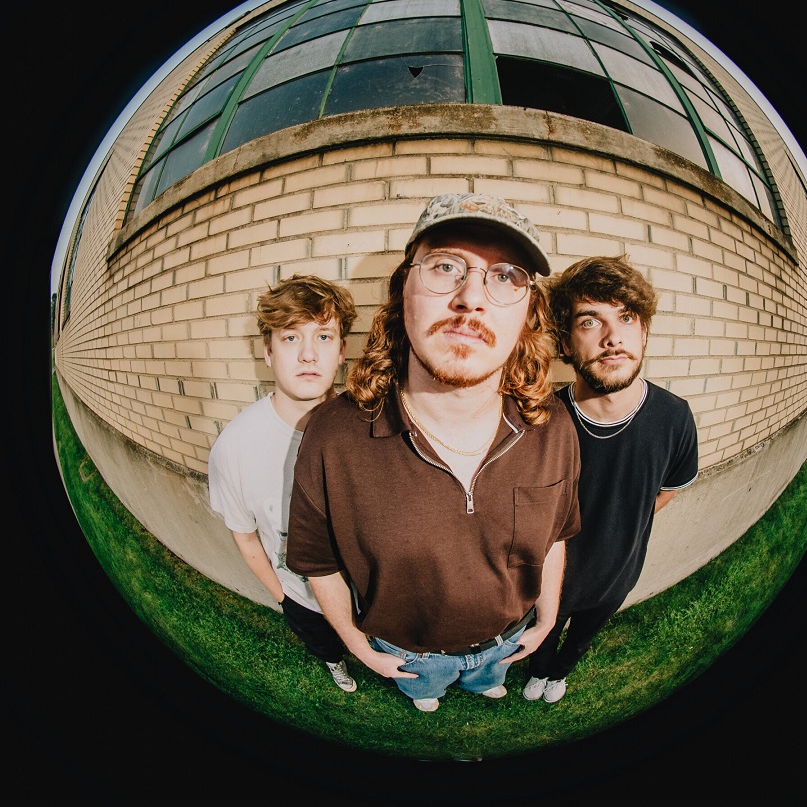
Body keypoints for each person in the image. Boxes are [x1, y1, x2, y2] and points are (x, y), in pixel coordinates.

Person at [286, 193, 581, 712]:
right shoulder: (332, 436)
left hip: (506, 640)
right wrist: (358, 646)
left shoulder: (552, 426)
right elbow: (318, 562)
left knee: (488, 682)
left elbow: (557, 532)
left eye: (506, 277)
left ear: (527, 313)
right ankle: (427, 694)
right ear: (403, 290)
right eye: (445, 267)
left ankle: (484, 681)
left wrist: (549, 615)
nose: (472, 298)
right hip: (408, 654)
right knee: (425, 694)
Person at [522, 255, 699, 704]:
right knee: (542, 635)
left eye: (627, 317)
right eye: (590, 321)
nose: (613, 337)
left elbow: (667, 490)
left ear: (644, 332)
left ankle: (561, 674)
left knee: (582, 638)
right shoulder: (540, 420)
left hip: (618, 575)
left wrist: (622, 524)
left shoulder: (674, 417)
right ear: (565, 342)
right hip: (548, 582)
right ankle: (539, 672)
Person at [208, 273, 359, 692]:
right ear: (268, 351)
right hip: (301, 596)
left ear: (342, 351)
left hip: (368, 594)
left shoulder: (369, 427)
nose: (308, 354)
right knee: (325, 644)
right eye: (291, 338)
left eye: (324, 337)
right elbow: (246, 537)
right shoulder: (234, 448)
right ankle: (336, 664)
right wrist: (283, 597)